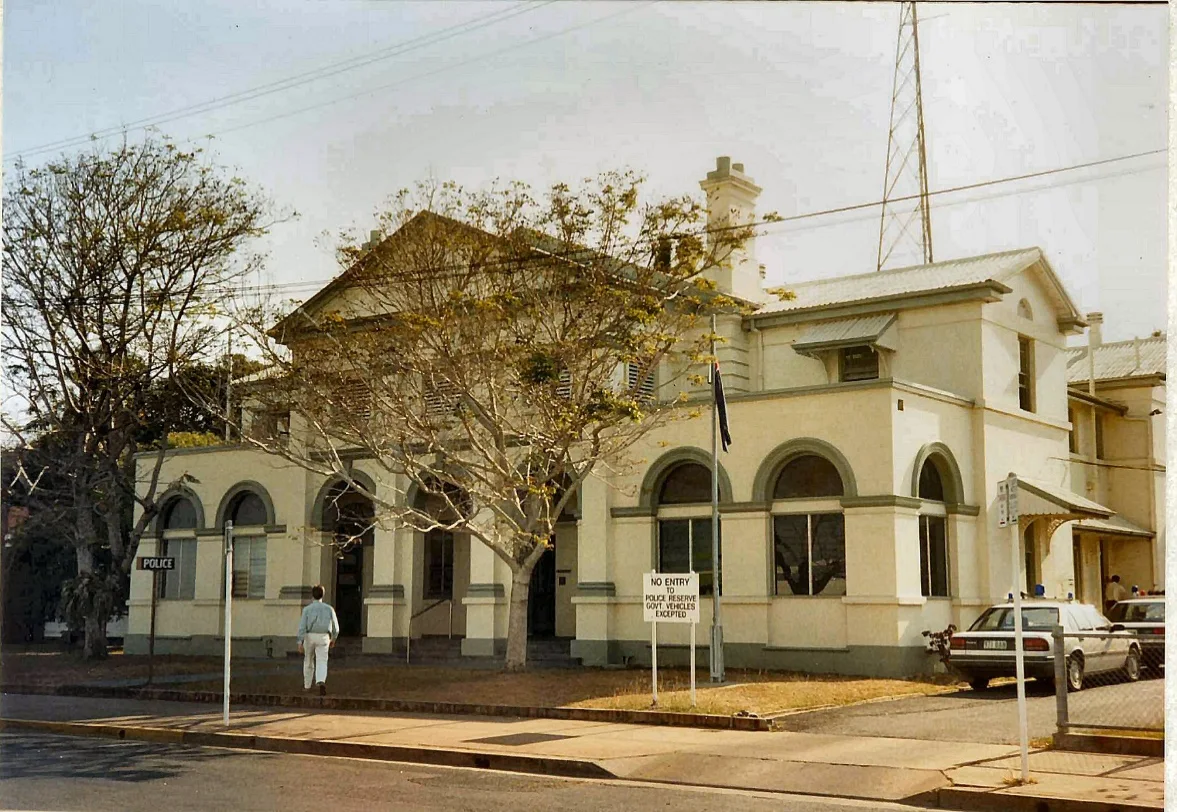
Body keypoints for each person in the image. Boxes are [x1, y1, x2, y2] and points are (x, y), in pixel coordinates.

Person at [297, 585, 339, 696]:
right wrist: (333, 638)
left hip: (310, 636)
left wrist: (300, 642)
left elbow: (302, 626)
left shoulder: (307, 609)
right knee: (322, 660)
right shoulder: (329, 609)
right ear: (323, 595)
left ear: (312, 595)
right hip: (324, 636)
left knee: (308, 660)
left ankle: (307, 685)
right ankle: (320, 680)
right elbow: (336, 627)